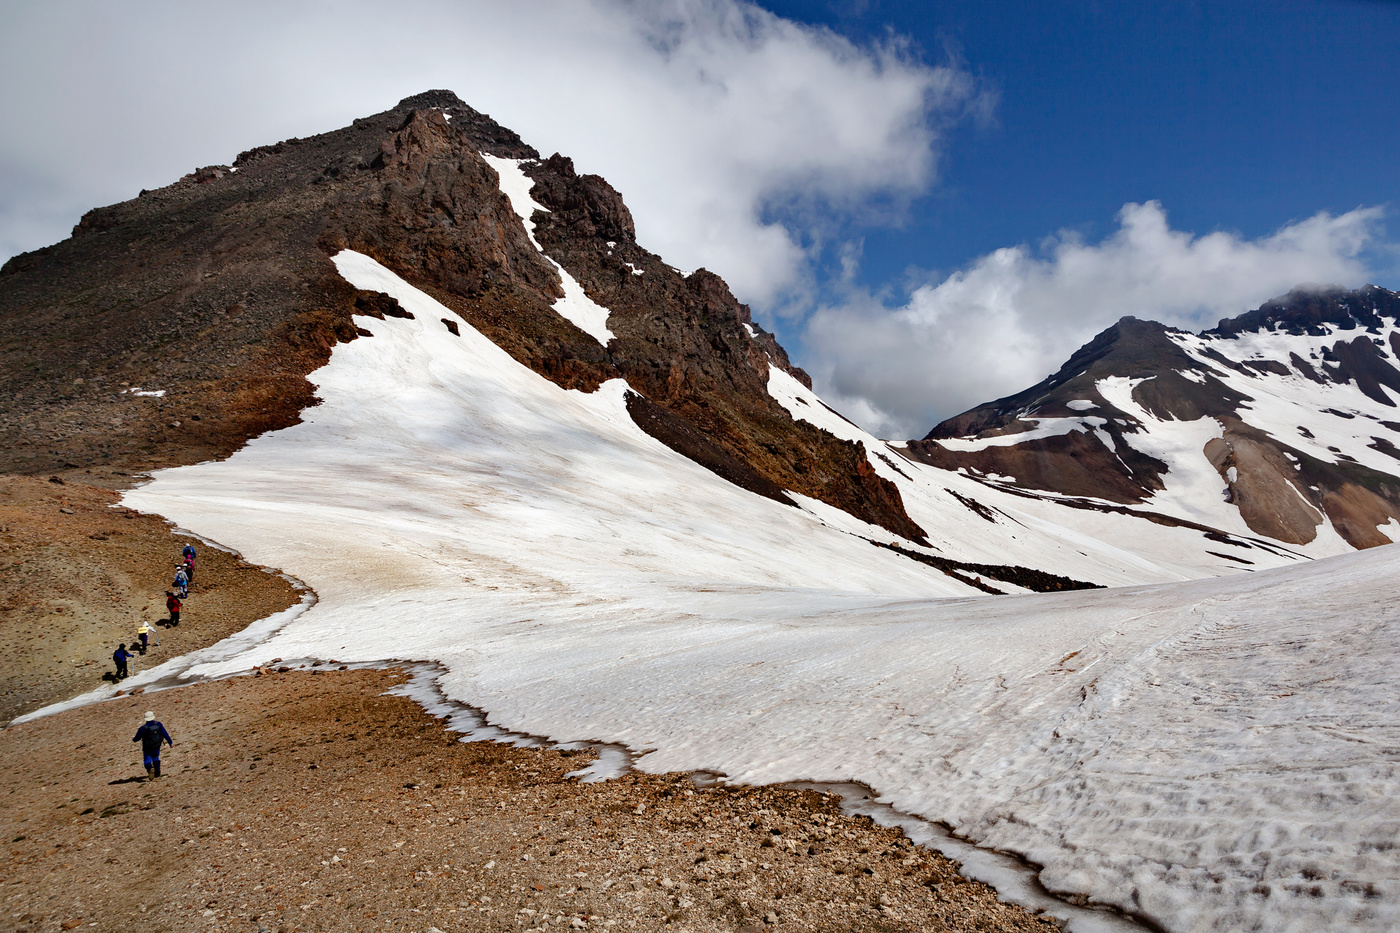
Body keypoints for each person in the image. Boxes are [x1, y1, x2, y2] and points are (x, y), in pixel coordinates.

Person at [132, 711, 174, 779]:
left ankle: (150, 768)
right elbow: (165, 733)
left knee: (147, 760)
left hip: (147, 747)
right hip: (157, 745)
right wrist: (170, 743)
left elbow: (137, 739)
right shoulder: (159, 724)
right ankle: (157, 773)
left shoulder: (143, 728)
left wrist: (133, 739)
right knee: (155, 757)